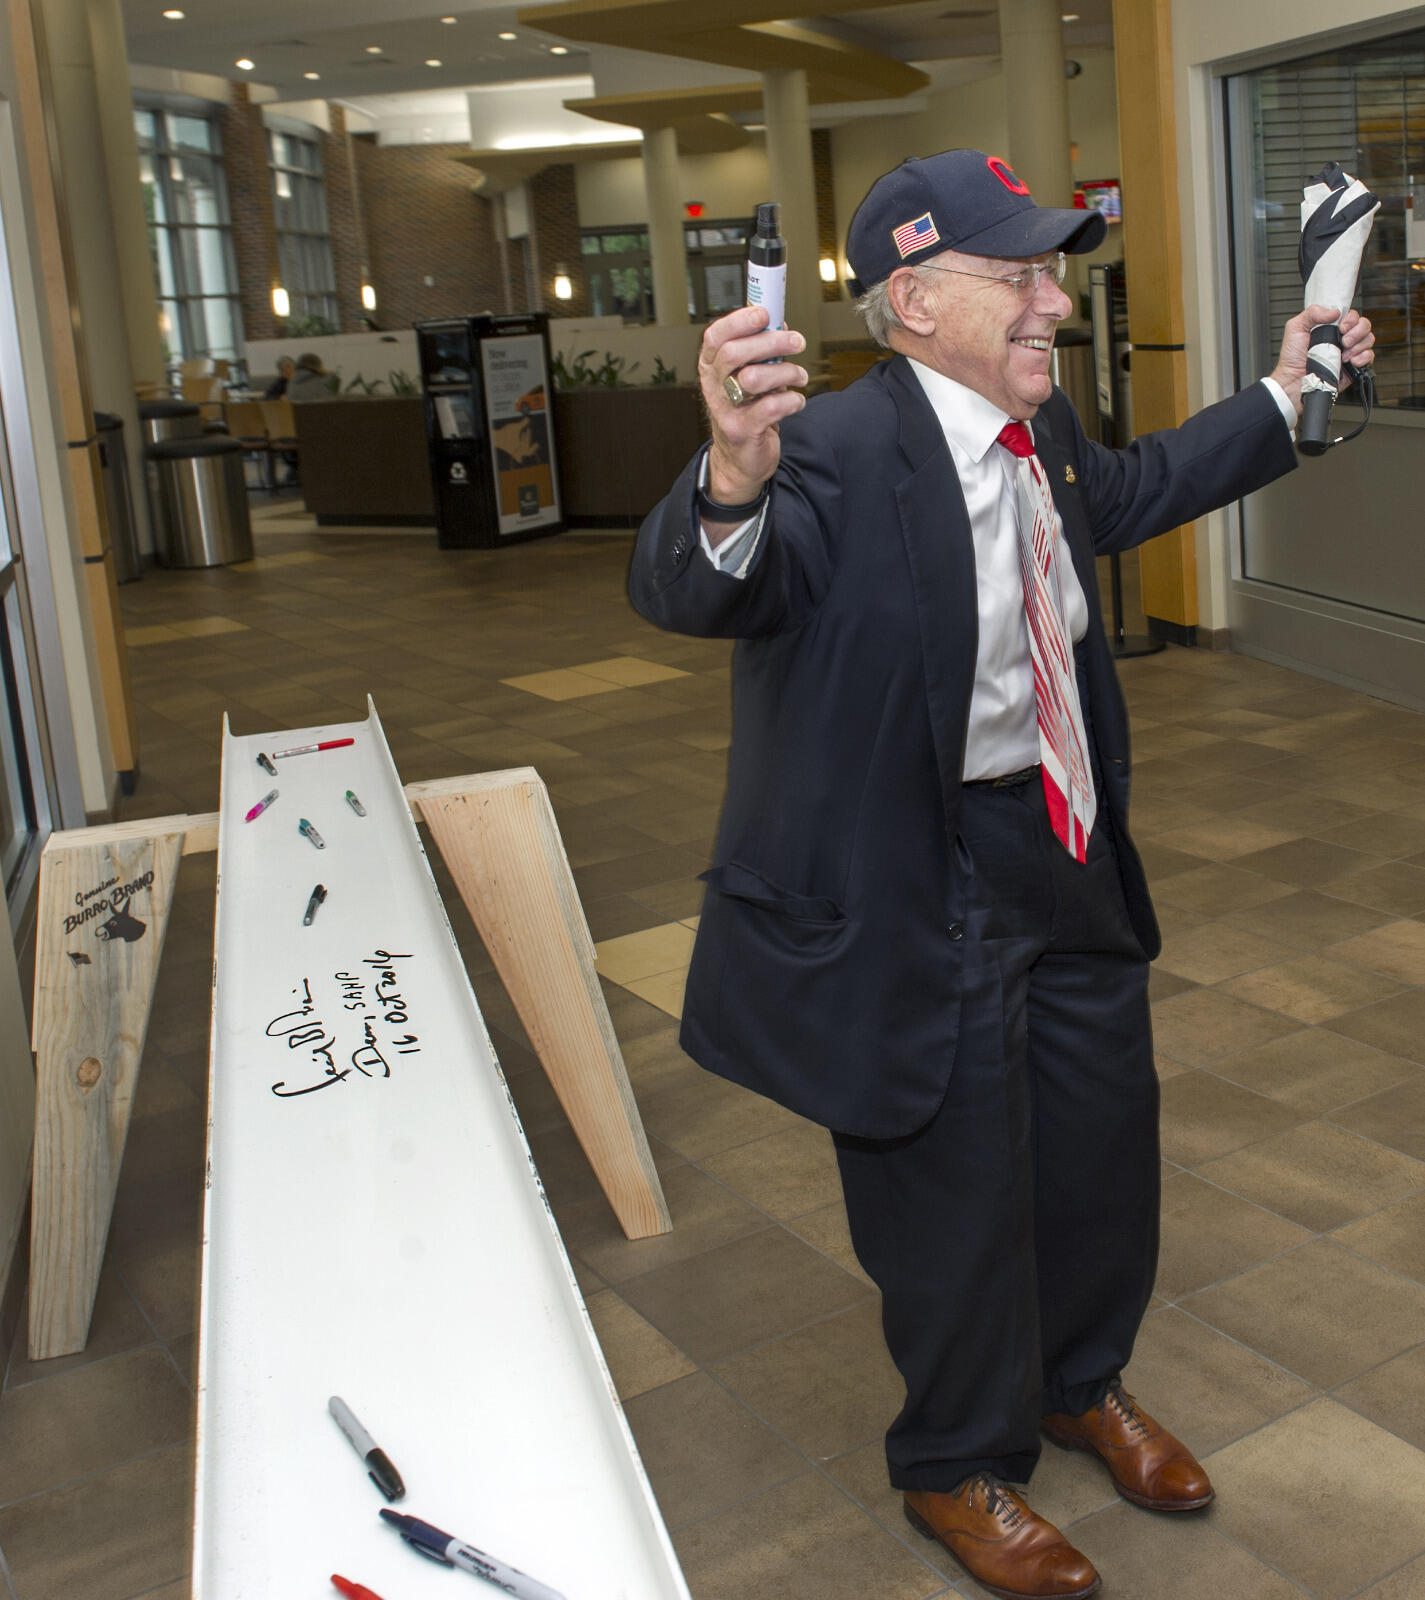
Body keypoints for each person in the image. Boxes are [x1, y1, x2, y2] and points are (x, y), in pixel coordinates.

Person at [628, 149, 1373, 1600]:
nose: (1053, 304)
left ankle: (1079, 1385)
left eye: (1055, 274)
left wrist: (1290, 394)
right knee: (953, 1189)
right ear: (910, 300)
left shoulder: (1040, 426)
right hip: (916, 872)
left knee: (1100, 1145)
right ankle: (954, 1464)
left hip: (1063, 839)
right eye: (1020, 277)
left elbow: (1132, 490)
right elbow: (695, 586)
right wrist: (725, 472)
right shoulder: (828, 451)